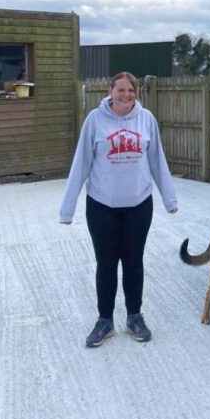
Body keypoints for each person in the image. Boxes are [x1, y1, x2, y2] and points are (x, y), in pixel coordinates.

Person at [59, 71, 178, 347]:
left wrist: (170, 200)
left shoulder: (146, 119)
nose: (126, 95)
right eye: (121, 90)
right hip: (102, 206)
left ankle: (134, 317)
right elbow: (81, 163)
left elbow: (157, 161)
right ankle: (105, 321)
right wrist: (67, 209)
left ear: (137, 92)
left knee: (134, 262)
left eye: (131, 90)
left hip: (138, 205)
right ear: (110, 90)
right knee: (106, 263)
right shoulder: (95, 120)